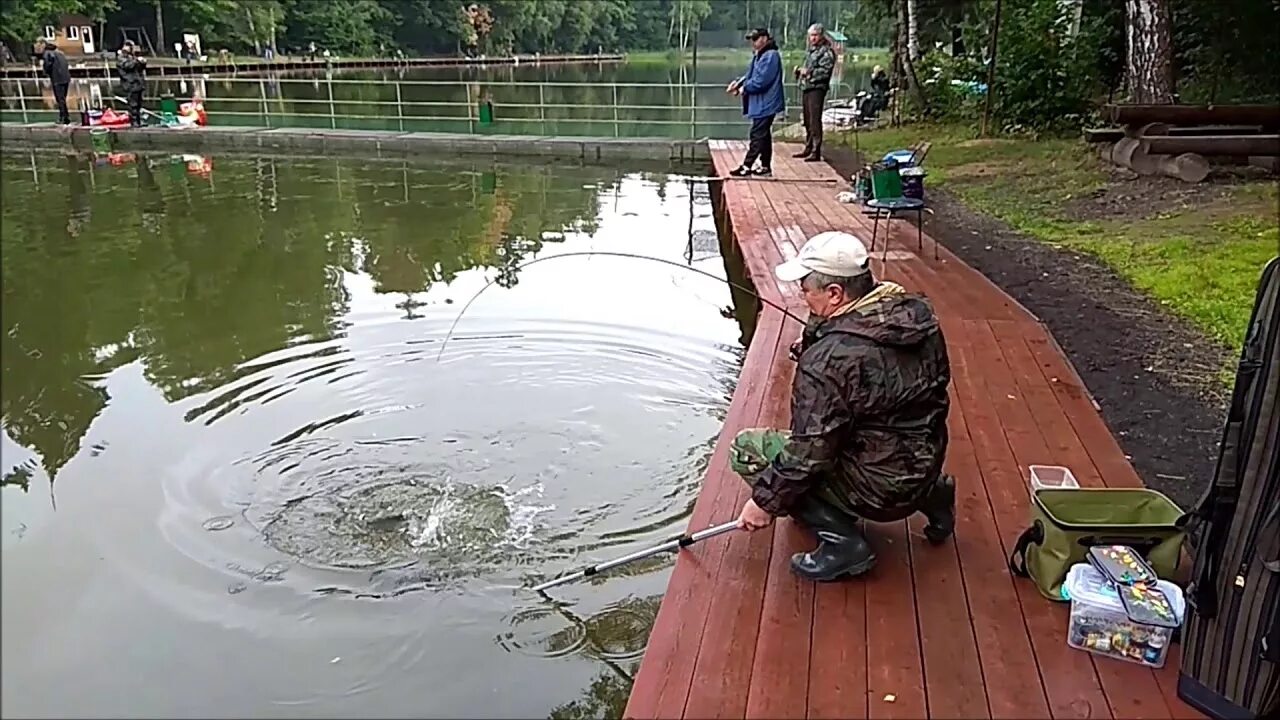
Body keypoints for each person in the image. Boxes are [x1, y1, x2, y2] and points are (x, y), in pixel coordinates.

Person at [732, 231, 956, 582]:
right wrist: (820, 337)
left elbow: (810, 451)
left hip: (882, 489)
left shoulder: (828, 361)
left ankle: (843, 545)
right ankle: (934, 494)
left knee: (748, 449)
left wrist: (763, 502)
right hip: (925, 461)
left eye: (806, 289)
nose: (803, 296)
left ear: (835, 293)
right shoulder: (916, 318)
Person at [726, 28, 784, 177]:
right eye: (752, 39)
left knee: (757, 134)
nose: (753, 42)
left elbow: (761, 81)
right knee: (764, 135)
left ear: (765, 38)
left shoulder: (771, 56)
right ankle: (765, 167)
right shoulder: (759, 55)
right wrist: (738, 83)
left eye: (756, 39)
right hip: (760, 104)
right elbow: (750, 75)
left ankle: (746, 166)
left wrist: (743, 90)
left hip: (767, 103)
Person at [793, 23, 836, 161]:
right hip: (807, 87)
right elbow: (808, 67)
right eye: (811, 35)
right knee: (807, 119)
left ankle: (816, 151)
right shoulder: (812, 51)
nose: (813, 38)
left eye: (815, 35)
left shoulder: (827, 52)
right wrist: (799, 71)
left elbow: (825, 71)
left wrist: (808, 73)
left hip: (817, 89)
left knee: (814, 120)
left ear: (821, 35)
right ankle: (808, 146)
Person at [36, 38, 71, 124]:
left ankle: (63, 118)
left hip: (57, 78)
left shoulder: (47, 53)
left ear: (43, 44)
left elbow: (48, 65)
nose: (37, 47)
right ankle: (66, 117)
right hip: (66, 78)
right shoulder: (59, 52)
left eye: (38, 44)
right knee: (63, 99)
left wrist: (46, 72)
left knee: (60, 99)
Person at [117, 41, 147, 128]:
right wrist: (137, 61)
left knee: (139, 104)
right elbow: (128, 66)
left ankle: (139, 121)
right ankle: (134, 122)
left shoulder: (132, 57)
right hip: (130, 84)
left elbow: (139, 68)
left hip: (138, 84)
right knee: (133, 104)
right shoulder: (121, 58)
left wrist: (142, 63)